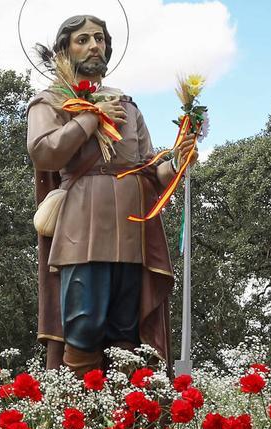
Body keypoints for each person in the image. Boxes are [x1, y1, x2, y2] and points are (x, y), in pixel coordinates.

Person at [27, 14, 194, 374]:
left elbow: (150, 171)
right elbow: (43, 151)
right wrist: (90, 117)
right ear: (64, 49)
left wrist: (177, 160)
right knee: (84, 319)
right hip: (82, 221)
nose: (93, 46)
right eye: (83, 39)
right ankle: (75, 408)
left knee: (126, 326)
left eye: (99, 39)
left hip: (132, 225)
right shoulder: (52, 101)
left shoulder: (128, 105)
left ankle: (126, 414)